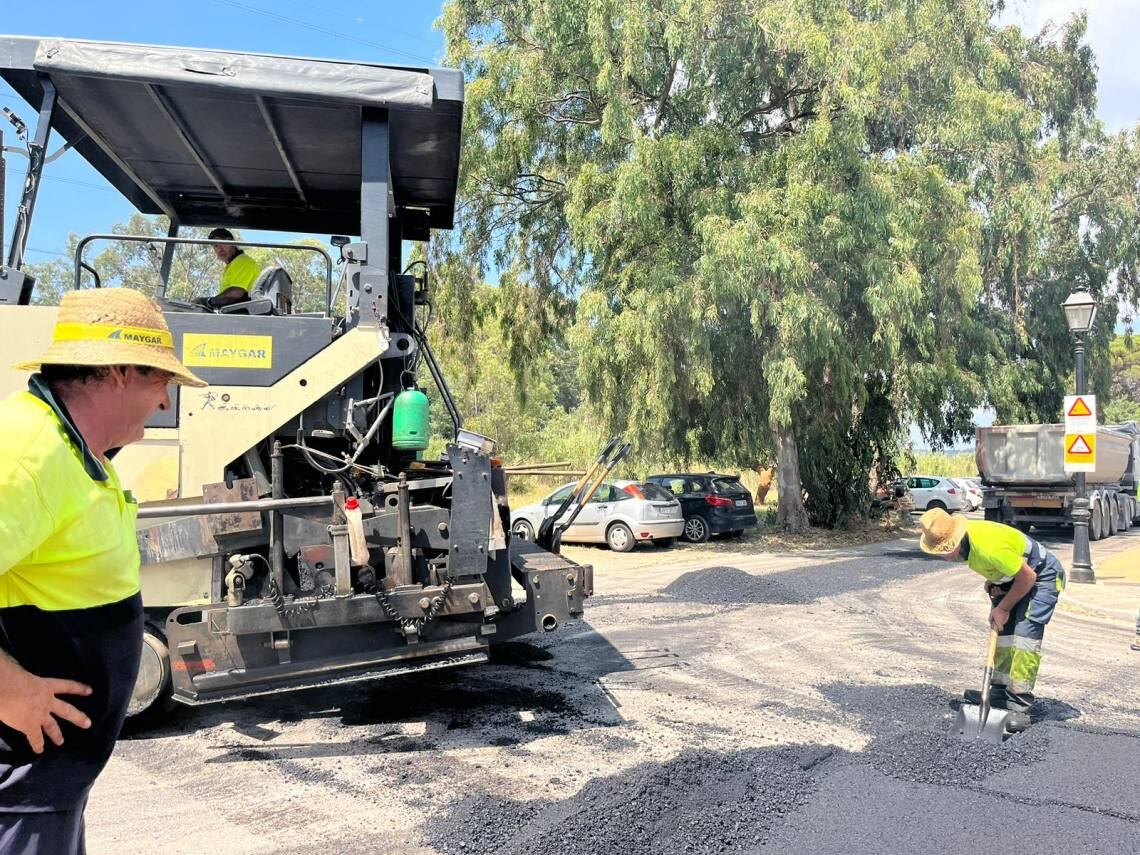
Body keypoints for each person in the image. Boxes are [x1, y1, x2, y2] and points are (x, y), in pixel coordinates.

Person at [0, 289, 205, 853]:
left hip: (49, 786)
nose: (165, 402)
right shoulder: (27, 452)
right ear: (117, 371)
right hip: (20, 791)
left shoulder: (76, 450)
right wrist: (9, 689)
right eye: (159, 380)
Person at [919, 508, 1066, 731]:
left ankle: (1019, 704)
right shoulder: (970, 545)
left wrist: (1004, 608)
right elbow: (1002, 563)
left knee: (1024, 640)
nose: (944, 555)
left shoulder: (988, 548)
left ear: (957, 539)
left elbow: (1028, 577)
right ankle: (997, 693)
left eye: (946, 549)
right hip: (1015, 577)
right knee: (1004, 637)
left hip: (1041, 577)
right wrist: (993, 579)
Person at [201, 227, 260, 308]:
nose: (220, 249)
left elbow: (235, 294)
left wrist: (208, 302)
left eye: (222, 243)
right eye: (216, 246)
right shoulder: (232, 264)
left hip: (241, 313)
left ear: (231, 242)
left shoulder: (242, 261)